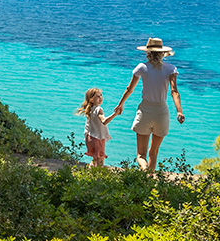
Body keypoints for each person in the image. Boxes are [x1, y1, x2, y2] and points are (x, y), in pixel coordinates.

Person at [112, 37, 185, 173]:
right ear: (162, 53)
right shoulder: (171, 69)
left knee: (141, 155)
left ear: (148, 53)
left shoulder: (142, 67)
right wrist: (179, 111)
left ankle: (144, 171)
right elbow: (174, 91)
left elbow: (129, 89)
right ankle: (149, 181)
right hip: (161, 112)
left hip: (145, 111)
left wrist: (121, 104)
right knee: (154, 152)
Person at [76, 87, 117, 167]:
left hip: (90, 137)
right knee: (100, 159)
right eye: (98, 96)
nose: (100, 97)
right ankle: (98, 176)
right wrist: (115, 114)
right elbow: (104, 121)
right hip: (98, 138)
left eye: (101, 95)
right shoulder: (99, 109)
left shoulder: (90, 109)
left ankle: (91, 172)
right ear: (91, 99)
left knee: (95, 158)